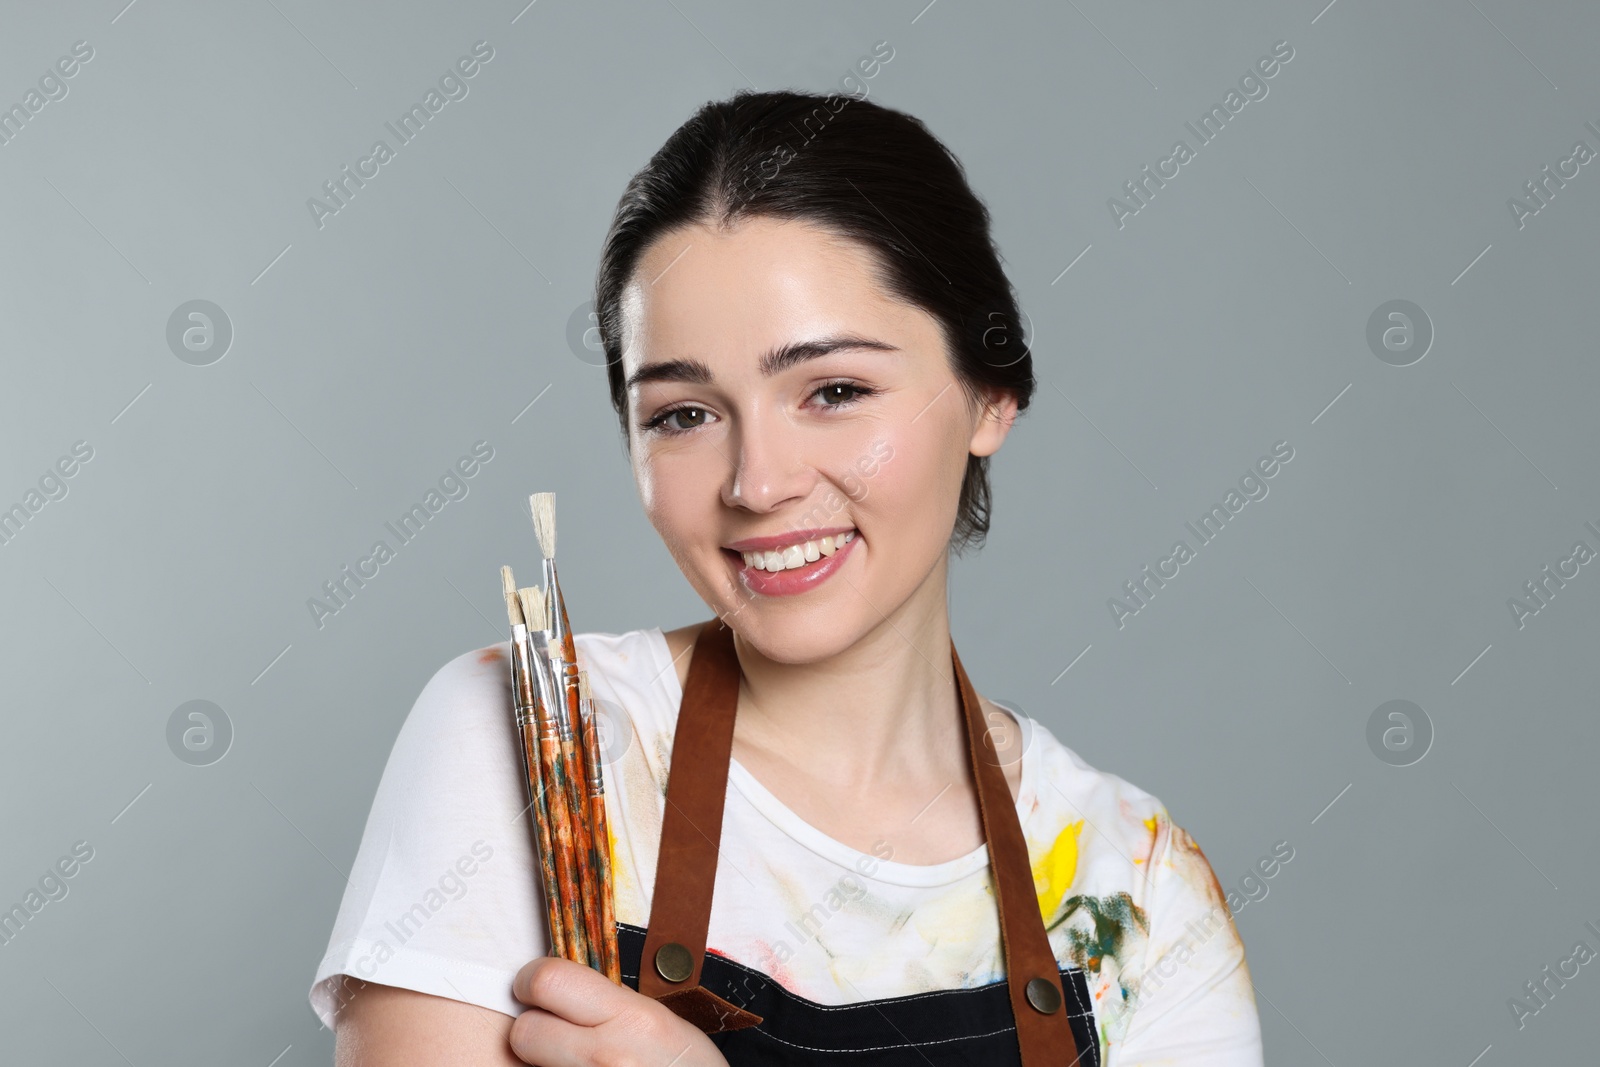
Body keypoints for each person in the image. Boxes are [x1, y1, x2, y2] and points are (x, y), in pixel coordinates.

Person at [309, 88, 1265, 1065]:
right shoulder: (539, 738)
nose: (756, 482)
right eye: (683, 413)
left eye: (835, 391)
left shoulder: (1138, 885)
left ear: (989, 395)